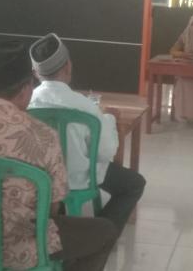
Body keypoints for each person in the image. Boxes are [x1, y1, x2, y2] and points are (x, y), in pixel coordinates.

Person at [0, 41, 116, 271]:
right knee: (105, 231)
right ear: (26, 88)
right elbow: (52, 208)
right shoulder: (43, 136)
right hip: (22, 250)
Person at [29, 33, 146, 236]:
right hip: (77, 177)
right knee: (134, 184)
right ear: (68, 66)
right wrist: (109, 118)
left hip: (37, 178)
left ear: (35, 72)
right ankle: (101, 236)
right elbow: (106, 152)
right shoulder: (84, 106)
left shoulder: (27, 102)